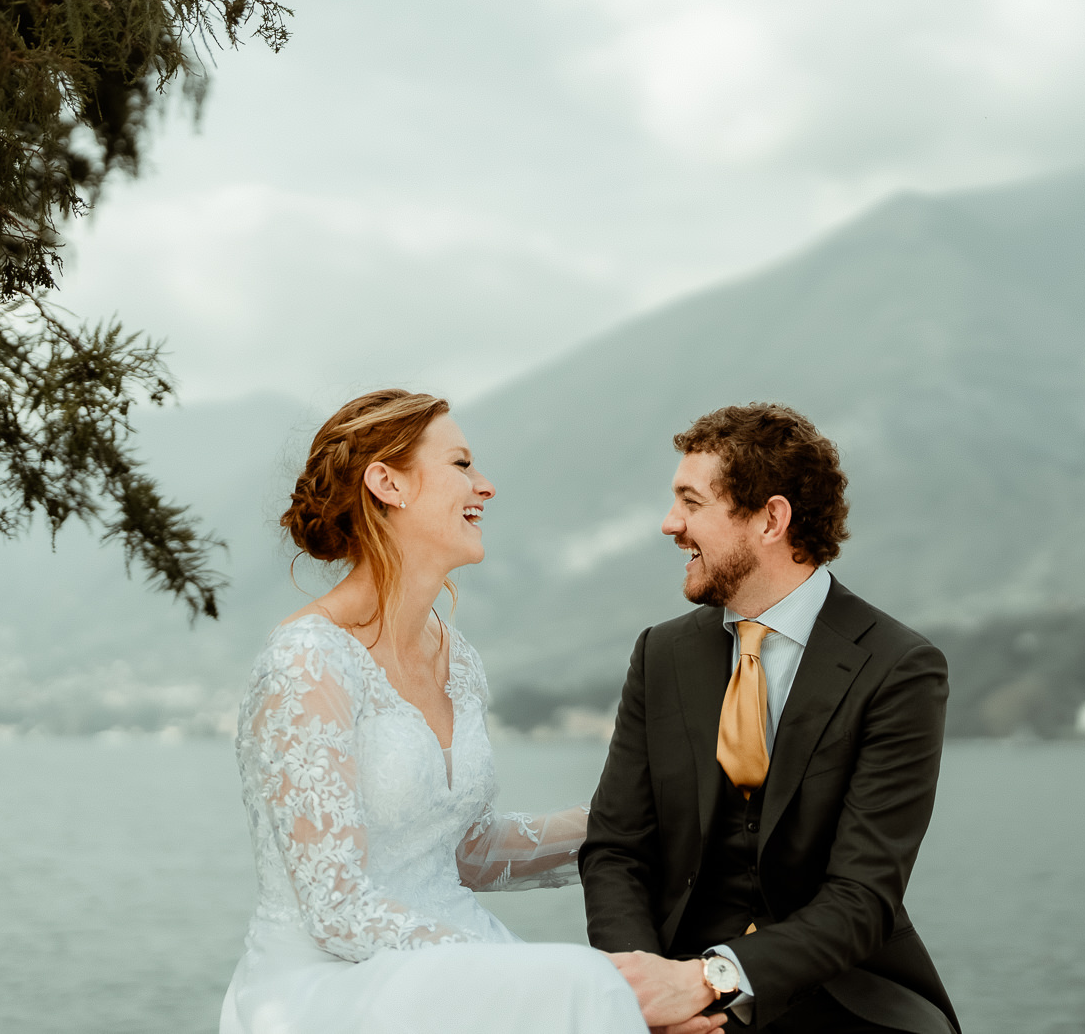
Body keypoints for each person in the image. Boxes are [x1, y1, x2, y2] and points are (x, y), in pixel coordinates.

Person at [219, 389, 722, 1034]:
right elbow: (337, 910)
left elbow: (467, 850)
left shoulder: (456, 657)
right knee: (591, 987)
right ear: (387, 484)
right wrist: (530, 980)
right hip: (330, 985)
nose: (485, 485)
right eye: (461, 464)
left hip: (446, 967)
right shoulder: (307, 661)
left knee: (602, 990)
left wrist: (642, 821)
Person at [581, 404, 961, 1034]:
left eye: (691, 502)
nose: (670, 523)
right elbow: (616, 849)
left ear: (770, 519)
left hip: (844, 991)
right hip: (668, 986)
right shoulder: (660, 653)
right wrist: (646, 990)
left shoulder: (900, 667)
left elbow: (863, 896)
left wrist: (710, 981)